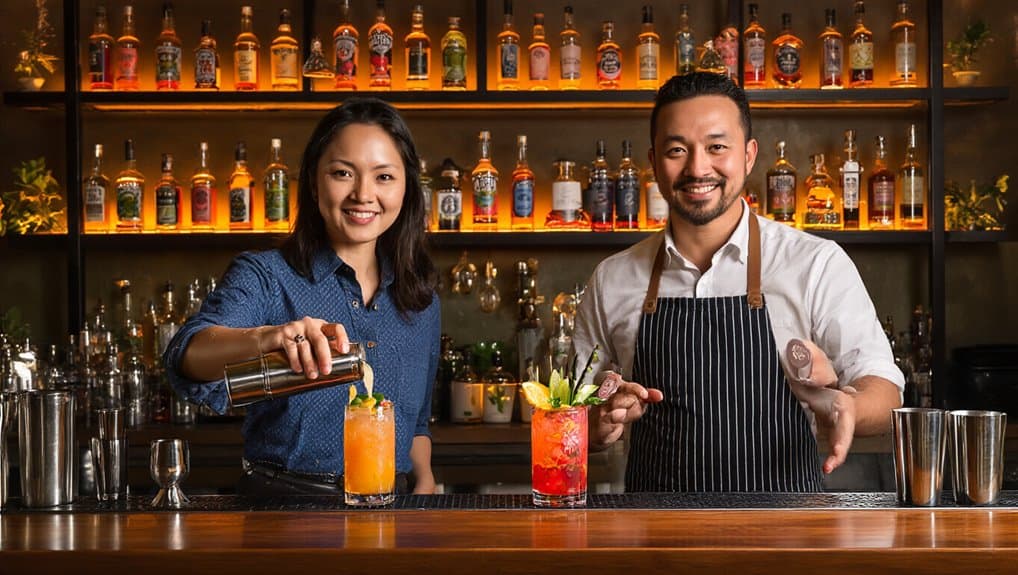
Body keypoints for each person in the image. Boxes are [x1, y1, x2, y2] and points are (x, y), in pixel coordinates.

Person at [573, 73, 904, 492]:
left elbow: (884, 387)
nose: (697, 168)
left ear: (748, 156)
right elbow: (568, 414)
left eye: (717, 147)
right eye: (678, 150)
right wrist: (596, 422)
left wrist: (849, 406)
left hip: (787, 537)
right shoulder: (613, 279)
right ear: (654, 160)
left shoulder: (814, 263)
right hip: (655, 540)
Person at [164, 98, 440, 496]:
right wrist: (268, 338)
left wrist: (425, 477)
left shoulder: (420, 297)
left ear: (407, 187)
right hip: (283, 509)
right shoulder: (267, 276)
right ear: (313, 181)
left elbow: (416, 420)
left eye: (384, 177)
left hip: (390, 511)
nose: (364, 194)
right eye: (343, 173)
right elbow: (187, 354)